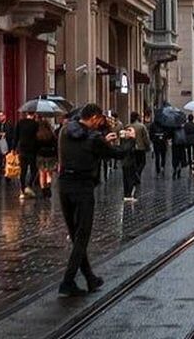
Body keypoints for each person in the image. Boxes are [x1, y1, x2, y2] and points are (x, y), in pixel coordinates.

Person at [57, 103, 129, 297]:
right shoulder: (94, 137)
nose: (100, 123)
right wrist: (129, 142)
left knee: (75, 235)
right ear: (95, 117)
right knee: (83, 236)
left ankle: (89, 278)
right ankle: (68, 280)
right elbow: (115, 154)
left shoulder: (64, 131)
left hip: (64, 185)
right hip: (83, 187)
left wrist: (102, 141)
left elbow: (83, 146)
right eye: (100, 120)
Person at [15, 111, 39, 199]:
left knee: (23, 170)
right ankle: (28, 186)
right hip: (33, 150)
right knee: (34, 169)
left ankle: (22, 190)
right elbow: (38, 137)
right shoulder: (35, 124)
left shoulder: (20, 123)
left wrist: (14, 149)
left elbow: (16, 137)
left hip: (22, 149)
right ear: (34, 115)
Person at [36, 115, 59, 198]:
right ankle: (48, 185)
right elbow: (55, 145)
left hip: (40, 154)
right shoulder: (51, 135)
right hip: (50, 155)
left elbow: (36, 146)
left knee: (42, 173)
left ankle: (43, 189)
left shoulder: (37, 135)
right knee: (49, 172)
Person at [0, 111, 14, 186]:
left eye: (1, 116)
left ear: (4, 116)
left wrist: (6, 135)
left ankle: (8, 176)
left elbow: (12, 136)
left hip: (7, 146)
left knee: (7, 162)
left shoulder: (9, 125)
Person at [130, 112, 151, 183]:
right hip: (140, 147)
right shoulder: (141, 126)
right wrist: (148, 146)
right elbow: (145, 137)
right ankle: (137, 173)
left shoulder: (128, 126)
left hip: (131, 147)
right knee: (142, 162)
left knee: (135, 162)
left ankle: (136, 174)